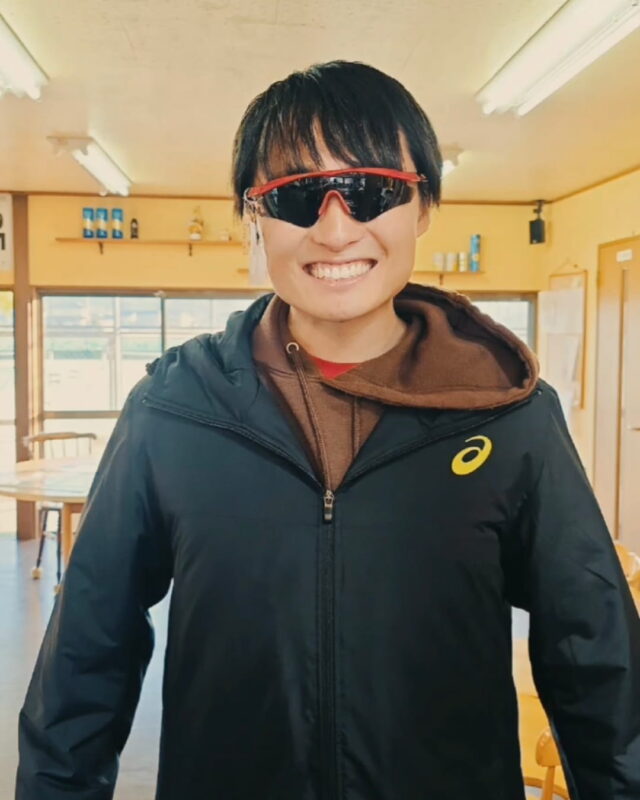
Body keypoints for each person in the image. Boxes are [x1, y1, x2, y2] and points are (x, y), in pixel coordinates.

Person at [16, 60, 640, 800]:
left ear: (423, 207)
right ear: (254, 218)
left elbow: (594, 653)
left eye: (373, 191)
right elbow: (89, 646)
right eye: (297, 196)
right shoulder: (175, 408)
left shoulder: (508, 412)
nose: (337, 230)